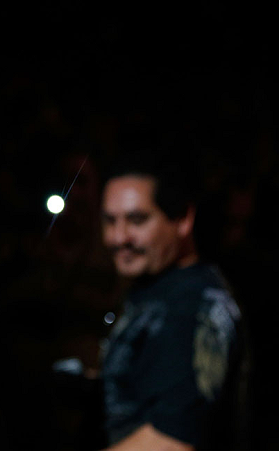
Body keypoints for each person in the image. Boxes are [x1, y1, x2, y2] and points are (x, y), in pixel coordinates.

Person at [98, 151, 246, 450]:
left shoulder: (191, 305)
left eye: (137, 220)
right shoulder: (157, 289)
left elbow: (171, 441)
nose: (119, 237)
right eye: (110, 221)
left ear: (182, 219)